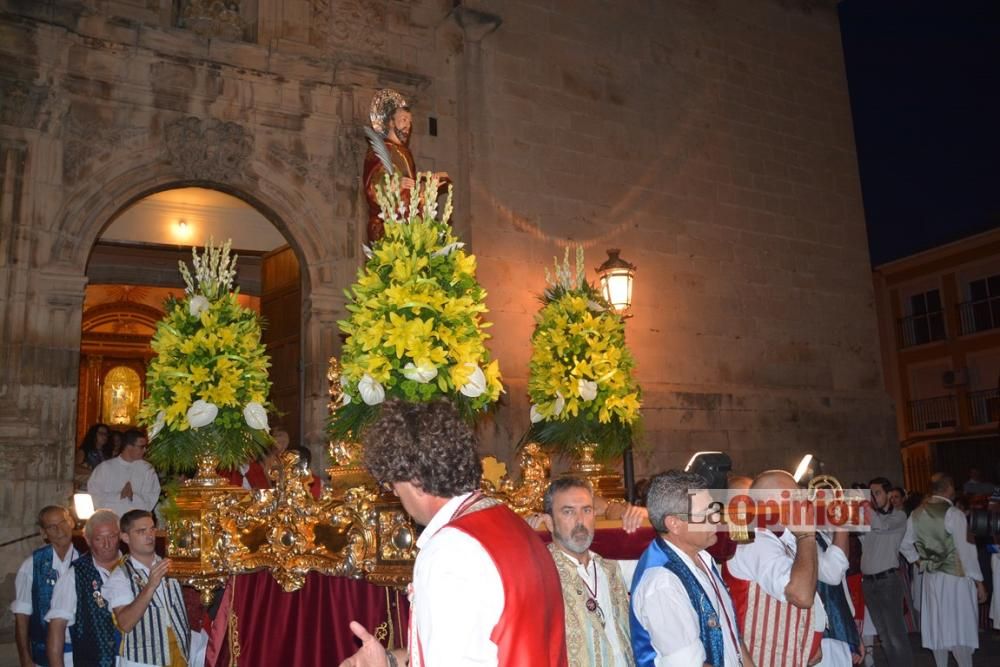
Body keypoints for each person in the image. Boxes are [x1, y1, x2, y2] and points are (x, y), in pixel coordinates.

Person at [339, 399, 567, 667]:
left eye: (394, 485)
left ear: (417, 482)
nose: (395, 494)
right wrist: (390, 662)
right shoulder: (513, 525)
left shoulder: (449, 551)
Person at [630, 470, 751, 667]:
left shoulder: (702, 556)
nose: (716, 519)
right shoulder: (663, 582)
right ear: (674, 524)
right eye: (706, 513)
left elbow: (732, 639)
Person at [727, 470, 821, 667]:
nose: (802, 504)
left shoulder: (777, 538)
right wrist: (807, 537)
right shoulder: (755, 542)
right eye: (793, 498)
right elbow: (801, 596)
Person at [542, 478, 635, 667]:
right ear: (549, 522)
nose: (580, 521)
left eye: (587, 510)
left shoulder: (612, 567)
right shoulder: (540, 573)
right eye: (568, 512)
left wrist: (648, 514)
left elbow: (691, 537)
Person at [900, 473, 986, 667]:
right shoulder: (954, 514)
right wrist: (979, 582)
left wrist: (920, 562)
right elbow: (967, 551)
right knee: (959, 626)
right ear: (949, 488)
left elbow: (904, 544)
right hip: (956, 579)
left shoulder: (916, 514)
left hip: (932, 579)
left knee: (938, 627)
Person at [102, 510, 191, 667]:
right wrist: (150, 585)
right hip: (144, 660)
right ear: (125, 537)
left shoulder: (170, 565)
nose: (150, 535)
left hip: (180, 653)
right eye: (141, 531)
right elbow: (125, 623)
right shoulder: (120, 576)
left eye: (152, 529)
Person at [363, 88, 450, 243]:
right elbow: (372, 184)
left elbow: (410, 191)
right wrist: (395, 183)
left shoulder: (406, 153)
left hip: (408, 224)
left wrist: (427, 188)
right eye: (403, 120)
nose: (408, 125)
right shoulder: (381, 149)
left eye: (409, 122)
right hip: (387, 226)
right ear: (390, 122)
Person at [45, 510, 121, 667]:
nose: (107, 544)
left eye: (112, 537)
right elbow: (56, 628)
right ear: (87, 539)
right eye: (99, 539)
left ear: (121, 535)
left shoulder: (132, 568)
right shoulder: (74, 576)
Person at [11, 506, 79, 667]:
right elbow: (22, 617)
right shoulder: (32, 566)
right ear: (43, 533)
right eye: (51, 526)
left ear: (71, 522)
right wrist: (25, 659)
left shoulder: (85, 561)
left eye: (62, 522)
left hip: (82, 654)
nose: (59, 530)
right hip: (44, 657)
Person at [857, 477, 912, 666]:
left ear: (889, 495)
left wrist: (865, 505)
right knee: (884, 636)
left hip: (887, 581)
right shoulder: (869, 516)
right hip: (869, 583)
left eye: (877, 493)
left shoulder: (899, 516)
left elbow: (881, 526)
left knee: (895, 635)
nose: (873, 497)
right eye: (870, 493)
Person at [87, 429, 160, 518]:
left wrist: (133, 496)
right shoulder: (105, 468)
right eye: (141, 447)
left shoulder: (147, 469)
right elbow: (94, 497)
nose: (145, 450)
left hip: (137, 520)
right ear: (128, 446)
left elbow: (152, 497)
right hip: (111, 521)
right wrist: (119, 496)